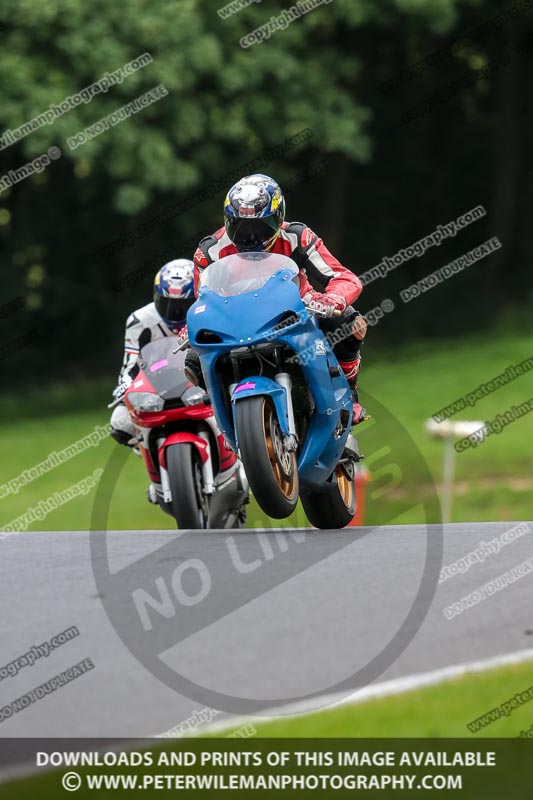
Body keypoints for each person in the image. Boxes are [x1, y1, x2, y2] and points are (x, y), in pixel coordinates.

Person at [185, 174, 368, 423]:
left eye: (261, 226)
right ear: (227, 221)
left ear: (279, 216)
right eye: (239, 226)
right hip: (236, 321)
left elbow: (343, 277)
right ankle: (225, 415)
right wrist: (193, 324)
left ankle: (349, 390)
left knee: (350, 323)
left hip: (296, 312)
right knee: (194, 358)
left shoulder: (296, 236)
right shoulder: (209, 251)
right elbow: (202, 300)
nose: (250, 236)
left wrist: (332, 299)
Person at [110, 259, 196, 449]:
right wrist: (124, 384)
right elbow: (130, 362)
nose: (175, 313)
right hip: (156, 387)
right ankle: (152, 457)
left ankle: (241, 449)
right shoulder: (139, 320)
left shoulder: (207, 312)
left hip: (201, 381)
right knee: (120, 422)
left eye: (184, 305)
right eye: (167, 304)